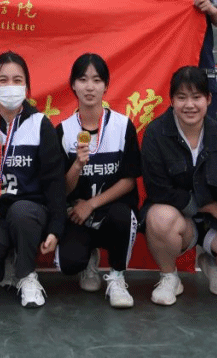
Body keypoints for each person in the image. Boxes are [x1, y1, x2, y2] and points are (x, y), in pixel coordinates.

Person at [141, 66, 217, 306]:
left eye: (196, 97)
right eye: (182, 97)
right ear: (171, 100)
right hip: (179, 221)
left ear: (208, 99)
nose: (189, 105)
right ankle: (169, 276)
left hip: (213, 226)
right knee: (159, 217)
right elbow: (158, 190)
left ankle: (212, 263)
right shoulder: (155, 133)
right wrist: (206, 206)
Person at [0, 51, 67, 308]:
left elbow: (55, 182)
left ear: (27, 86)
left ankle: (27, 275)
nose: (10, 86)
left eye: (17, 80)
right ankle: (6, 261)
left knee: (22, 212)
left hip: (31, 212)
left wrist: (56, 228)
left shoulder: (40, 124)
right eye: (3, 80)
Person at [56, 54, 141, 309]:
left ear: (106, 85)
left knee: (123, 215)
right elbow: (62, 189)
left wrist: (92, 204)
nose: (89, 87)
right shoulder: (63, 131)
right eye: (83, 80)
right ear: (73, 85)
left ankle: (117, 276)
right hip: (77, 215)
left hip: (110, 211)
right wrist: (77, 166)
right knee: (68, 263)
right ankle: (88, 260)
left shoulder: (122, 126)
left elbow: (129, 180)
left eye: (96, 80)